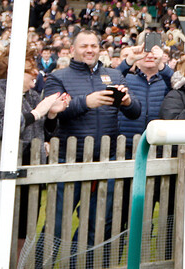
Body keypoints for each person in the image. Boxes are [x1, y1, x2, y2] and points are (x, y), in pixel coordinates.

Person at [42, 29, 140, 259]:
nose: (89, 50)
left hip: (108, 160)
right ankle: (41, 263)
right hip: (70, 159)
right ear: (73, 49)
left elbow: (136, 112)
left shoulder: (114, 76)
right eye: (84, 46)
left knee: (98, 224)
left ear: (100, 49)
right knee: (58, 224)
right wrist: (86, 102)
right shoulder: (59, 77)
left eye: (93, 46)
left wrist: (126, 101)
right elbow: (52, 114)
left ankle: (80, 263)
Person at [0, 53, 69, 268]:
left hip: (29, 173)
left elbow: (44, 132)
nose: (35, 74)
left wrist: (51, 115)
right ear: (12, 72)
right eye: (29, 70)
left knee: (22, 238)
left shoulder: (33, 96)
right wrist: (36, 114)